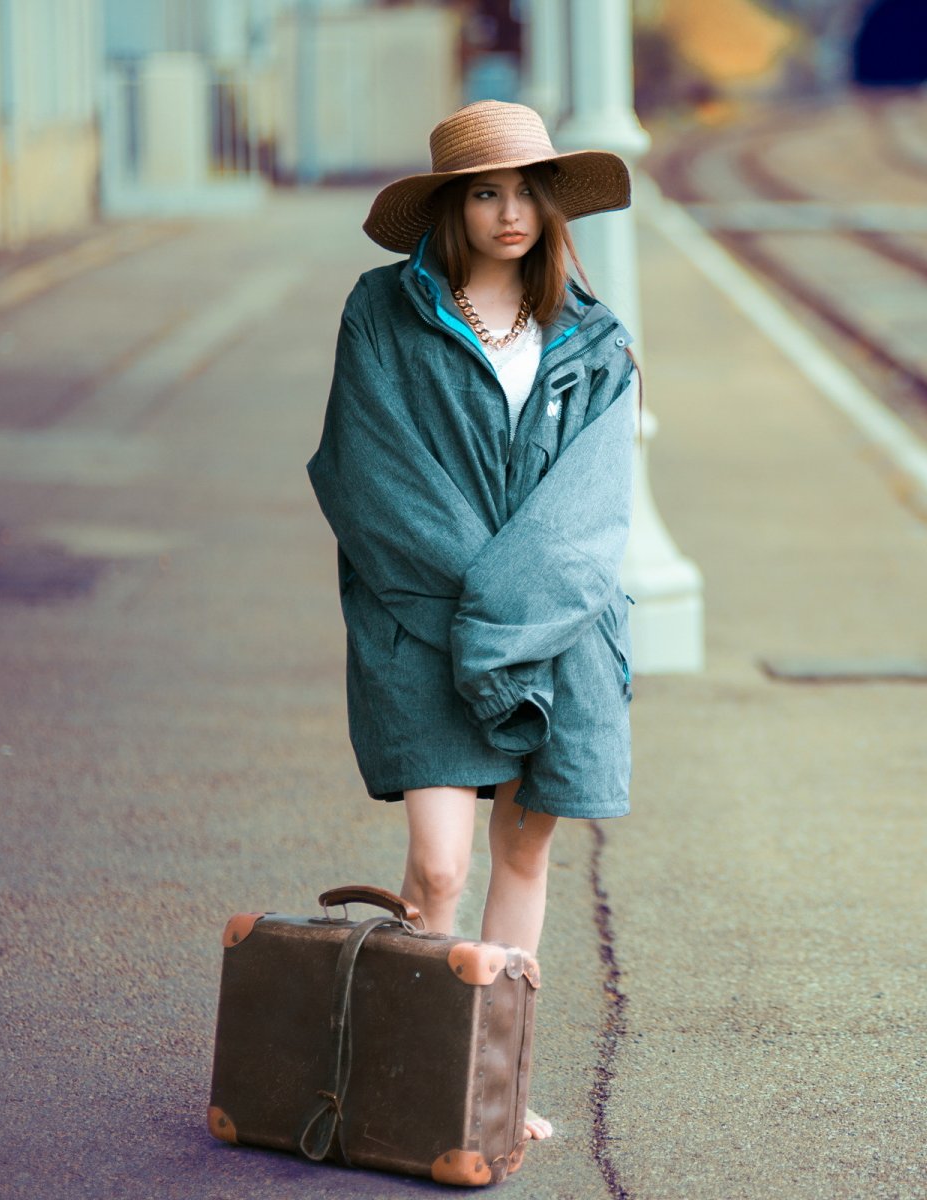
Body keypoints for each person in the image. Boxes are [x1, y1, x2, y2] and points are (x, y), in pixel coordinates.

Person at [306, 100, 639, 1146]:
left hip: (563, 636)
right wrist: (483, 612)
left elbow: (589, 513)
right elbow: (373, 483)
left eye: (526, 191)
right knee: (440, 865)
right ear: (450, 207)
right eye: (485, 192)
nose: (510, 212)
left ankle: (493, 1080)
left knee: (525, 858)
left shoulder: (595, 338)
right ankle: (419, 1067)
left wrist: (518, 614)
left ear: (551, 204)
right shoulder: (381, 315)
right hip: (424, 626)